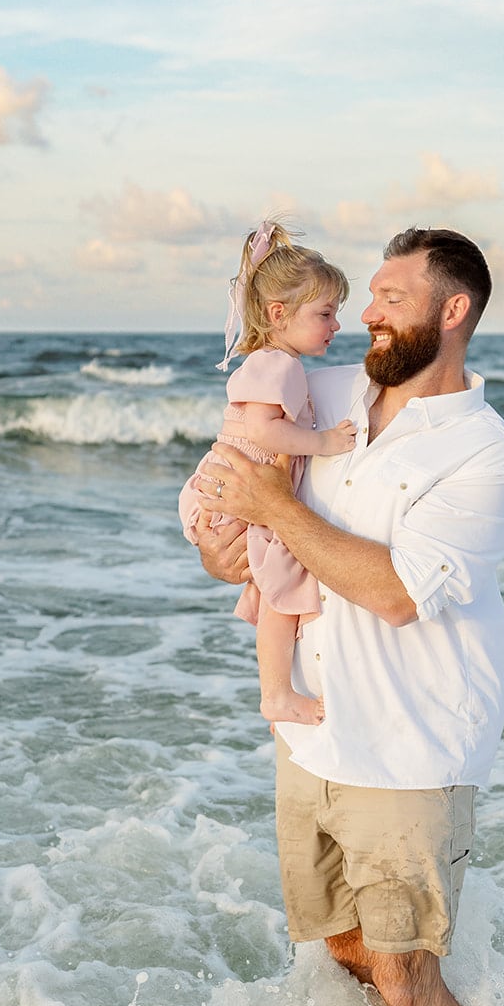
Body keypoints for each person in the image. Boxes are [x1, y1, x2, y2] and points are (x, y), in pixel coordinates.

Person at [190, 227, 504, 1006]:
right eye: (368, 295)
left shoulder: (482, 452)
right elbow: (229, 486)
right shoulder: (321, 387)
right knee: (342, 951)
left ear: (452, 311)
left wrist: (275, 506)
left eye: (391, 298)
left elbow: (398, 592)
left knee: (406, 975)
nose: (367, 314)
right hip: (311, 733)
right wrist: (220, 545)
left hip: (409, 747)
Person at [179, 222, 357, 725]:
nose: (336, 325)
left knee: (275, 584)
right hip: (240, 491)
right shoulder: (280, 365)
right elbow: (262, 430)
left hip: (226, 489)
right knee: (284, 586)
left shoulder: (271, 362)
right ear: (279, 314)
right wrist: (324, 442)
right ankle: (276, 693)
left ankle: (278, 691)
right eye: (325, 313)